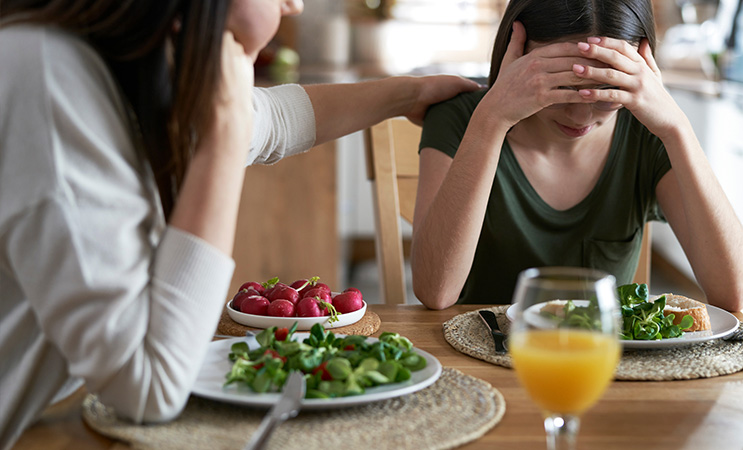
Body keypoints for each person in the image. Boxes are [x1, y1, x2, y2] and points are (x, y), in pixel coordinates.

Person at [0, 0, 478, 446]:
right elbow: (150, 388)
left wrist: (408, 94)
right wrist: (223, 145)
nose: (295, 5)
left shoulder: (110, 65)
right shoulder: (50, 84)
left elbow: (272, 119)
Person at [411, 0, 743, 312]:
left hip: (606, 366)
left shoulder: (647, 134)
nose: (580, 117)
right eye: (560, 86)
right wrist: (491, 120)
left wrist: (677, 128)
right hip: (481, 359)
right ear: (515, 55)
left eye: (606, 91)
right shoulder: (461, 119)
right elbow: (436, 291)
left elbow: (733, 294)